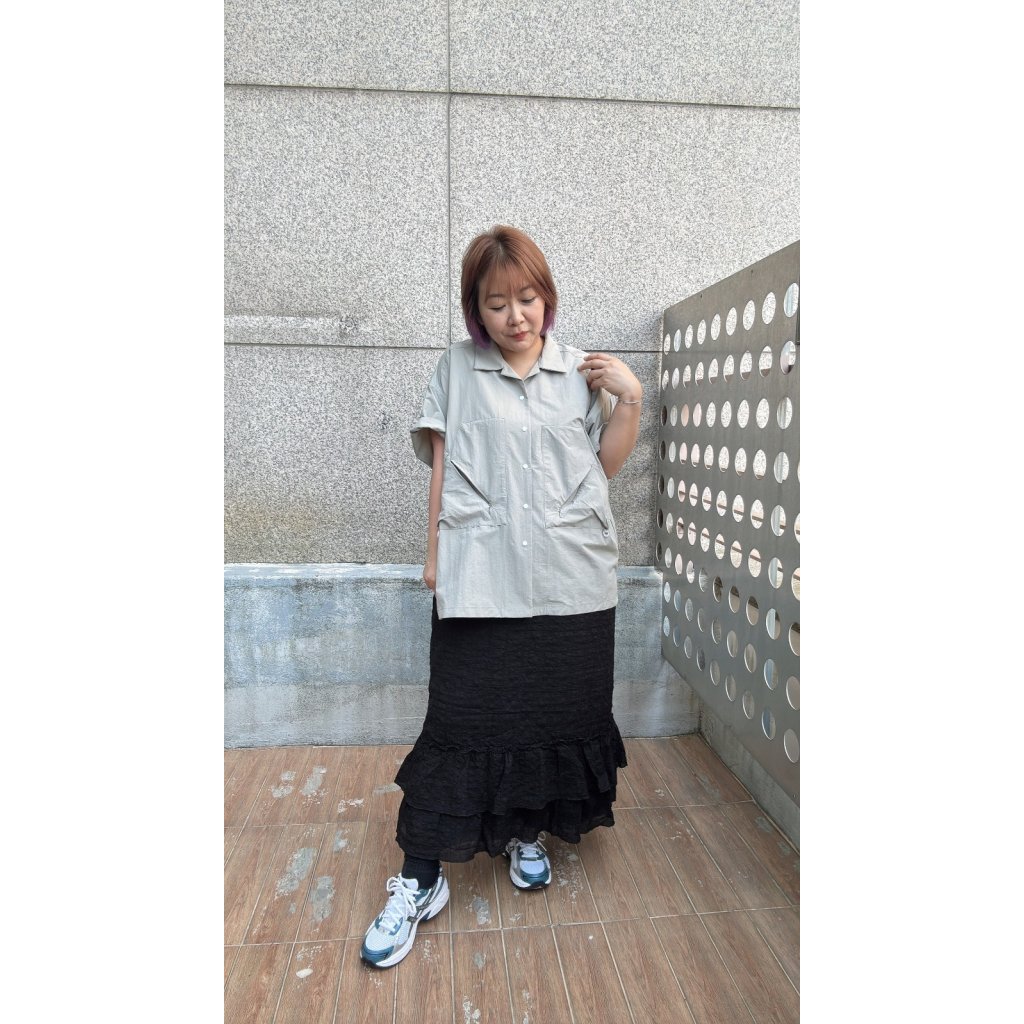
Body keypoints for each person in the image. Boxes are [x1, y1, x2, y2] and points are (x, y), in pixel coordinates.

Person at [360, 225, 643, 968]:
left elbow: (602, 469)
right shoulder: (456, 369)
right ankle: (421, 877)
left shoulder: (580, 371)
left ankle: (524, 831)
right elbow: (442, 463)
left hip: (571, 578)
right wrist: (434, 554)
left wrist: (631, 402)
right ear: (474, 309)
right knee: (460, 722)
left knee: (554, 714)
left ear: (547, 298)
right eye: (496, 303)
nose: (515, 316)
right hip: (481, 573)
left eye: (527, 299)